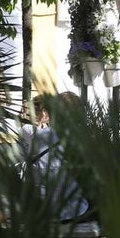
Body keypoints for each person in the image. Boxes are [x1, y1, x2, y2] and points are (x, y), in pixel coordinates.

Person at [20, 92, 93, 223]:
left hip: (40, 213)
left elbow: (25, 129)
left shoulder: (37, 138)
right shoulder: (82, 142)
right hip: (72, 213)